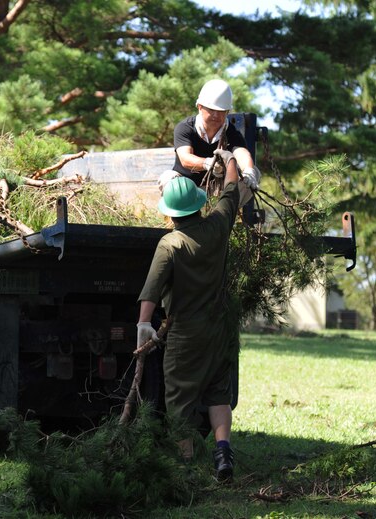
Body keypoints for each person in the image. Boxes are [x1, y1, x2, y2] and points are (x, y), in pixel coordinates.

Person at [137, 148, 240, 482]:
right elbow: (231, 191)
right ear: (197, 205)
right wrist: (230, 158)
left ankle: (184, 466)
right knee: (217, 393)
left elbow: (152, 288)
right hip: (220, 329)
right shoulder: (218, 226)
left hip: (185, 334)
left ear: (171, 214)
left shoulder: (171, 244)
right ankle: (223, 452)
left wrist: (143, 324)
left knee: (179, 398)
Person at [158, 78, 260, 206]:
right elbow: (185, 158)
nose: (216, 115)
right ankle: (184, 218)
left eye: (222, 111)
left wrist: (248, 170)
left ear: (228, 111)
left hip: (218, 191)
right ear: (200, 107)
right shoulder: (185, 127)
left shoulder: (231, 131)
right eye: (211, 110)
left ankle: (224, 214)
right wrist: (207, 163)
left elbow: (242, 153)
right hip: (188, 188)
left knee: (253, 172)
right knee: (167, 179)